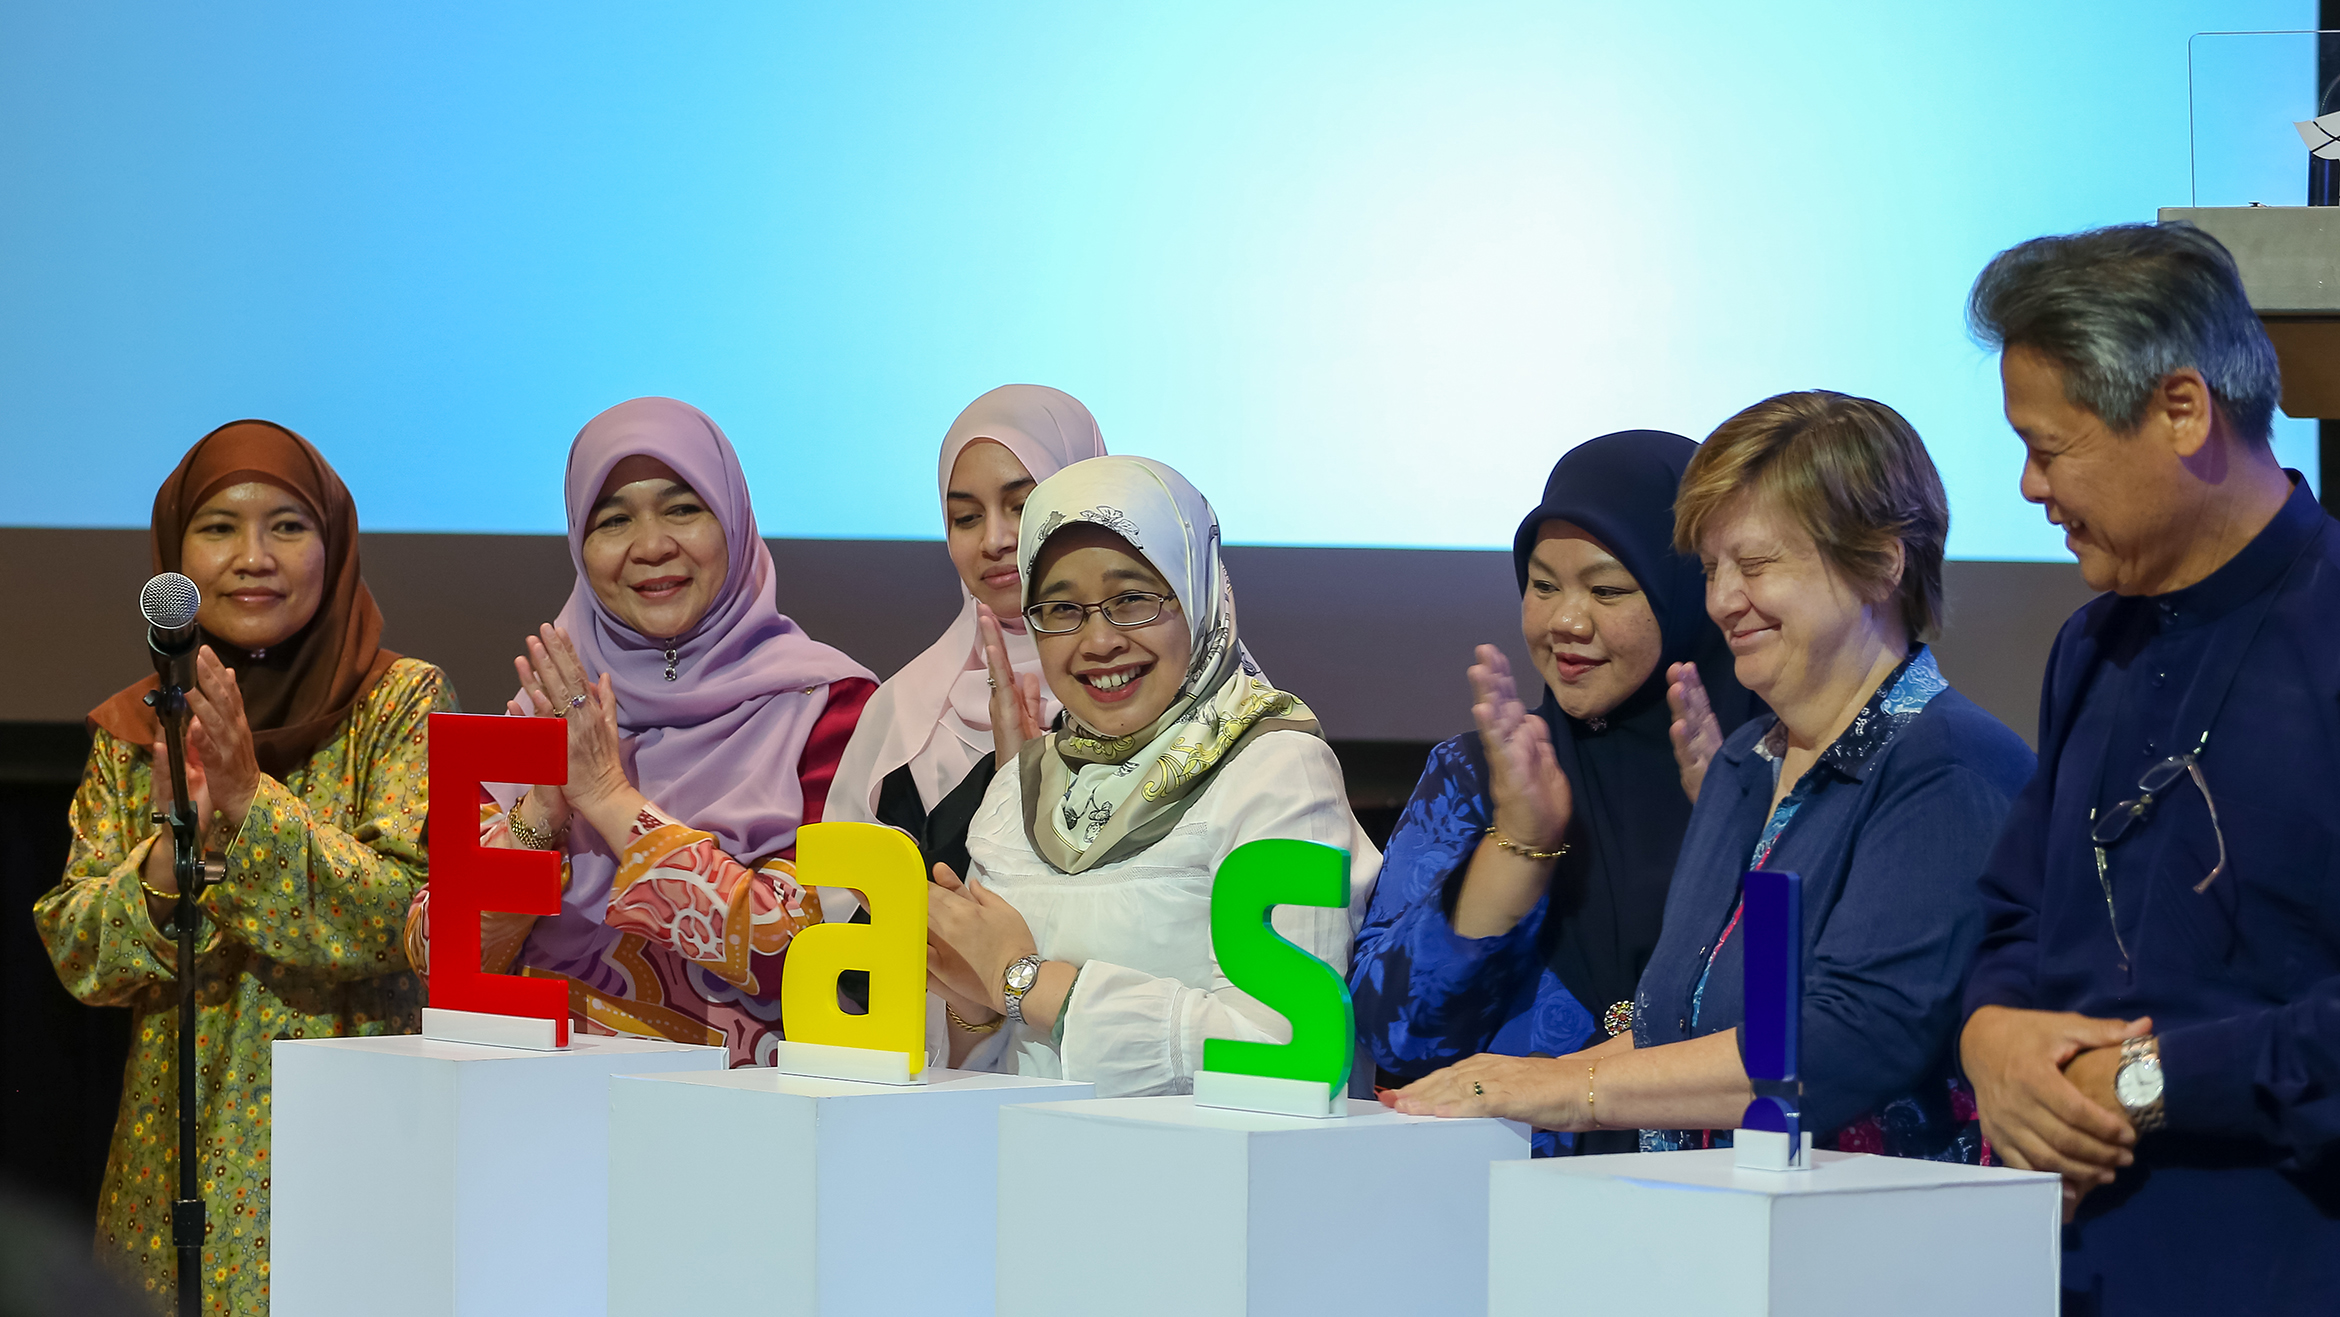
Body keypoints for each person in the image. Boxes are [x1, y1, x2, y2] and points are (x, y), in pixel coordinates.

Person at [1387, 391, 2034, 1162]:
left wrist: (1562, 1087)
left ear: (1881, 565)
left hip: (1868, 1225)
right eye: (1712, 568)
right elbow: (1675, 1024)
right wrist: (1504, 1079)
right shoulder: (1746, 760)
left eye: (1754, 566)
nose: (1724, 600)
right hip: (1708, 1215)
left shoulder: (1948, 765)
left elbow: (1842, 1043)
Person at [1957, 223, 2340, 1314]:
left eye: (2049, 447)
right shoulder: (2093, 644)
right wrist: (1992, 1039)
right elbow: (2016, 919)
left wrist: (2146, 1082)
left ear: (2181, 410)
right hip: (2071, 1271)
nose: (2029, 486)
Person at [35, 421, 457, 1313]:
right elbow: (79, 952)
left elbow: (408, 915)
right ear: (176, 554)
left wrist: (247, 802)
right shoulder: (139, 725)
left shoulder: (402, 701)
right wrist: (171, 856)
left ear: (333, 543)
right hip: (170, 1164)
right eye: (220, 527)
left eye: (288, 526)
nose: (253, 557)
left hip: (358, 1143)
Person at [403, 397, 875, 1066]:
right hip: (538, 1099)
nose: (651, 546)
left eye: (682, 509)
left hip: (746, 1107)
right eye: (614, 520)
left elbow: (810, 954)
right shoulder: (543, 710)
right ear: (580, 544)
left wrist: (609, 799)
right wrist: (537, 820)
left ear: (734, 521)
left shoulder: (829, 709)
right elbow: (437, 954)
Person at [1349, 430, 1760, 1155]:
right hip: (1511, 1190)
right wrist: (1520, 845)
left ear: (1695, 591)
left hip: (1723, 1195)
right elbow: (1396, 1035)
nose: (1565, 622)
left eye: (1607, 589)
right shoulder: (1478, 773)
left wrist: (1732, 832)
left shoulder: (1770, 771)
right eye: (1543, 586)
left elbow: (1811, 1021)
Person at [922, 455, 1379, 1094]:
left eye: (1132, 599)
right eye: (1061, 608)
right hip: (1020, 1152)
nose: (1098, 641)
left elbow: (1284, 1055)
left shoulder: (1275, 771)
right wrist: (973, 1011)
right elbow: (978, 1063)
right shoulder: (1015, 789)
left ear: (1196, 592)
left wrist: (1024, 981)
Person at [826, 384, 1106, 883]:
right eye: (967, 518)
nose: (994, 540)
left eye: (1023, 506)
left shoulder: (1150, 683)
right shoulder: (906, 713)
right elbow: (855, 905)